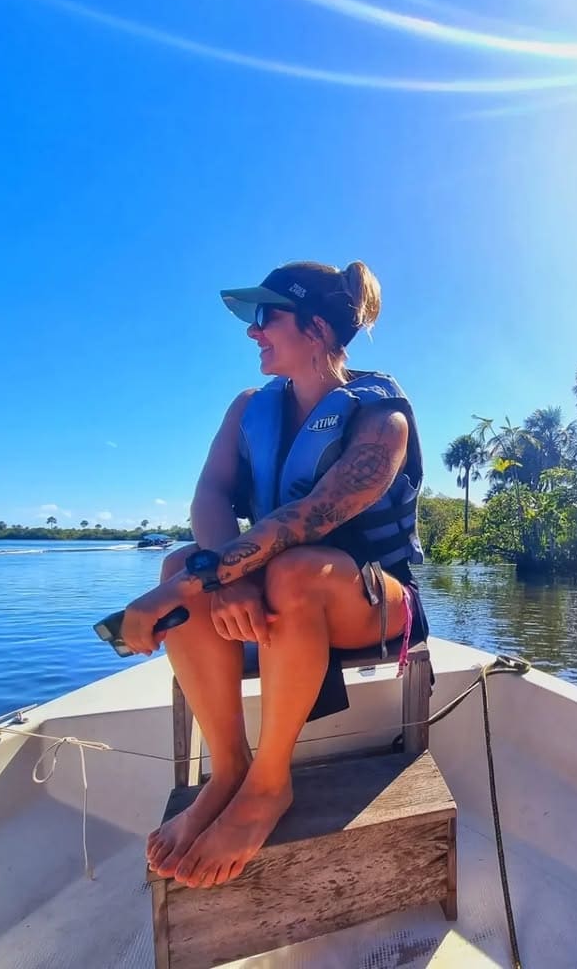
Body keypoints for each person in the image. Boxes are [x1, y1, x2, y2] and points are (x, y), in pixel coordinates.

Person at [121, 260, 428, 890]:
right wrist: (216, 579)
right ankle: (229, 769)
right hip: (272, 583)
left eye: (266, 317)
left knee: (291, 570)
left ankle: (269, 783)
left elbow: (309, 519)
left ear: (315, 327)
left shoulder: (381, 419)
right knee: (182, 559)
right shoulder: (246, 410)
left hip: (375, 605)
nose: (252, 332)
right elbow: (210, 495)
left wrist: (194, 584)